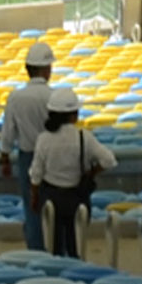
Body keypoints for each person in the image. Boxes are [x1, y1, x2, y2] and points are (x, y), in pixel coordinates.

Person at [25, 84, 112, 257]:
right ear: (74, 115)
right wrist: (92, 172)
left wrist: (34, 196)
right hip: (76, 197)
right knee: (76, 246)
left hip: (50, 196)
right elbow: (108, 160)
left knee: (53, 247)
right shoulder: (83, 137)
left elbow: (36, 173)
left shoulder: (44, 139)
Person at [0, 39, 57, 233]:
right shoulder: (54, 96)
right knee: (55, 205)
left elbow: (8, 131)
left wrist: (5, 157)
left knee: (32, 207)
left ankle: (36, 249)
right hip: (53, 157)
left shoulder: (16, 98)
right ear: (46, 69)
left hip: (28, 157)